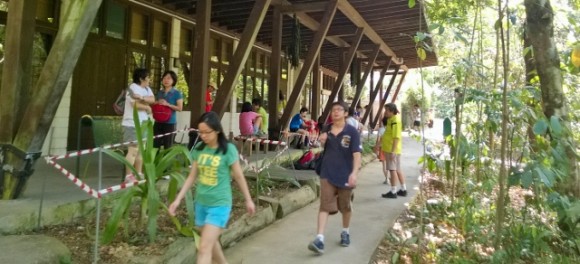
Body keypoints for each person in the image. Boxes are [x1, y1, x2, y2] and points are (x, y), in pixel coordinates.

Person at [169, 111, 256, 264]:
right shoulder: (199, 149)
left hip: (220, 204)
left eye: (206, 132)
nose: (203, 136)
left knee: (203, 248)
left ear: (217, 130)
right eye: (200, 132)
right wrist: (177, 199)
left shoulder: (228, 149)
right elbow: (192, 176)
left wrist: (248, 200)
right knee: (210, 242)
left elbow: (238, 176)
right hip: (201, 203)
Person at [308, 101, 362, 254]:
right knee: (324, 205)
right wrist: (321, 140)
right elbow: (320, 144)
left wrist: (354, 173)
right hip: (327, 173)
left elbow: (357, 155)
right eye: (333, 110)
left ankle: (345, 231)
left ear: (346, 113)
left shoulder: (352, 132)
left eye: (339, 110)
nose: (336, 112)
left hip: (345, 174)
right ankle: (319, 239)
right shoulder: (326, 129)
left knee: (345, 206)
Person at [122, 68, 155, 182]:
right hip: (132, 123)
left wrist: (142, 99)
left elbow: (152, 99)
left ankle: (138, 173)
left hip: (143, 123)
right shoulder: (132, 88)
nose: (149, 79)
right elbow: (134, 104)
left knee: (141, 149)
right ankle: (128, 175)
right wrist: (146, 107)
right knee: (133, 150)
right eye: (148, 77)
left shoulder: (147, 89)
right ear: (141, 78)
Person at [381, 103, 406, 198]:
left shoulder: (394, 121)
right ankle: (403, 189)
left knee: (392, 169)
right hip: (391, 148)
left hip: (391, 149)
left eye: (387, 110)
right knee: (397, 169)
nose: (385, 112)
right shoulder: (391, 120)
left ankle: (393, 191)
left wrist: (393, 151)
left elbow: (396, 137)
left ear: (391, 111)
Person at [153, 70, 183, 149]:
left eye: (169, 78)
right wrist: (157, 102)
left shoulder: (177, 93)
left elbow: (180, 108)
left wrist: (168, 104)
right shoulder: (160, 92)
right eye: (164, 78)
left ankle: (166, 161)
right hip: (158, 121)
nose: (166, 80)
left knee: (168, 145)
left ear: (173, 80)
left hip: (170, 122)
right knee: (155, 145)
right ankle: (155, 161)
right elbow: (153, 104)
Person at [374, 116, 390, 185]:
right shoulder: (390, 129)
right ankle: (389, 178)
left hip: (382, 148)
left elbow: (378, 140)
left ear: (382, 122)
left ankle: (387, 179)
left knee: (384, 165)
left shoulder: (381, 130)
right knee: (389, 165)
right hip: (389, 148)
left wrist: (376, 148)